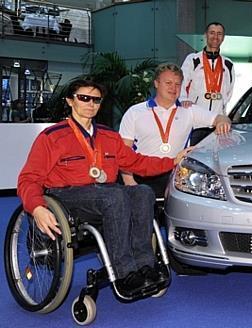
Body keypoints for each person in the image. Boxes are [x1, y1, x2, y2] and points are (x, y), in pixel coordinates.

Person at [17, 79, 191, 298]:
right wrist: (37, 207)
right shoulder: (51, 137)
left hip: (104, 194)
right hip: (67, 197)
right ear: (71, 101)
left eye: (96, 100)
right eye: (84, 98)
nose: (91, 104)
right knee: (114, 195)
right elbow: (28, 178)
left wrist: (173, 161)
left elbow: (138, 163)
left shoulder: (110, 137)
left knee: (143, 192)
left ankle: (145, 265)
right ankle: (124, 271)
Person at [119, 63, 231, 197]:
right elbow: (124, 152)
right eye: (168, 83)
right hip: (141, 176)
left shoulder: (189, 110)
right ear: (156, 83)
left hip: (174, 176)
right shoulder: (135, 112)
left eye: (178, 84)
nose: (173, 88)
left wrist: (223, 122)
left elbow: (221, 118)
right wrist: (129, 181)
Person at [180, 22, 235, 144]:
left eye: (219, 33)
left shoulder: (228, 64)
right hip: (196, 124)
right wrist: (183, 98)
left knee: (218, 159)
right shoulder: (193, 59)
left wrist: (221, 107)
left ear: (223, 37)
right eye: (212, 33)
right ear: (205, 35)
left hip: (218, 124)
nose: (215, 36)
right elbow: (181, 82)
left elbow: (229, 91)